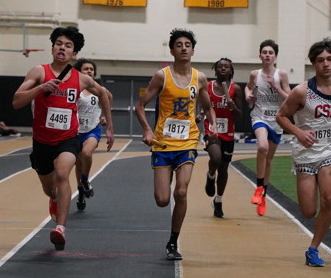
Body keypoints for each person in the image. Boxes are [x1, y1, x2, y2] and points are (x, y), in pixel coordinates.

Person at [13, 26, 114, 251]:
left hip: (68, 138)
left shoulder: (81, 79)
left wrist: (109, 126)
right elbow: (17, 101)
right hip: (42, 141)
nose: (62, 48)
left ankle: (60, 228)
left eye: (68, 46)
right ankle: (54, 199)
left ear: (74, 54)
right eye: (58, 44)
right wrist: (40, 88)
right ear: (52, 48)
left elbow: (104, 94)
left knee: (62, 173)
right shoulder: (39, 72)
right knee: (50, 189)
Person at [135, 28, 215, 261]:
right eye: (179, 45)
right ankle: (166, 175)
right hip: (162, 143)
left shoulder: (200, 78)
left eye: (187, 45)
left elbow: (208, 107)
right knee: (162, 200)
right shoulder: (162, 76)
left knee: (181, 191)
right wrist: (147, 129)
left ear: (193, 50)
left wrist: (212, 126)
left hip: (188, 141)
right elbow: (140, 106)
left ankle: (172, 241)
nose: (183, 48)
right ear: (172, 50)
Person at [275, 38, 331, 268]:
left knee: (328, 199)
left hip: (329, 151)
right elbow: (281, 116)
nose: (325, 64)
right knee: (308, 211)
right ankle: (313, 238)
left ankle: (313, 249)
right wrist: (298, 132)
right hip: (305, 153)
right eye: (320, 60)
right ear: (313, 63)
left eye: (329, 59)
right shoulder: (301, 91)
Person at [244, 40, 291, 215]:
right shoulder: (254, 74)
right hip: (259, 117)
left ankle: (263, 195)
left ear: (275, 56)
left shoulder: (281, 74)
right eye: (264, 52)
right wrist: (248, 96)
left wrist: (275, 86)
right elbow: (248, 88)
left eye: (270, 53)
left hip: (276, 120)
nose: (267, 55)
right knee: (262, 147)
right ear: (260, 55)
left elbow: (289, 98)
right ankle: (258, 187)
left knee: (269, 160)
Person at [73, 58, 113, 211]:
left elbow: (109, 98)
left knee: (87, 153)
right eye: (86, 69)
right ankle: (81, 192)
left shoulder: (99, 89)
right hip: (76, 131)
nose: (89, 71)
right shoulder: (75, 88)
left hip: (92, 129)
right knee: (78, 164)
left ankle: (85, 180)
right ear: (79, 72)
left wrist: (105, 117)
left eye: (91, 69)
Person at [203, 57, 240, 218]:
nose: (223, 68)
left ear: (231, 71)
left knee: (224, 169)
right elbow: (203, 105)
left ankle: (218, 200)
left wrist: (234, 108)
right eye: (220, 66)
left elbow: (239, 115)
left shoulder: (235, 89)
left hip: (228, 133)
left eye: (226, 66)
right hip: (211, 129)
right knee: (216, 157)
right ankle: (211, 175)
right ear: (216, 70)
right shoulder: (208, 86)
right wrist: (199, 116)